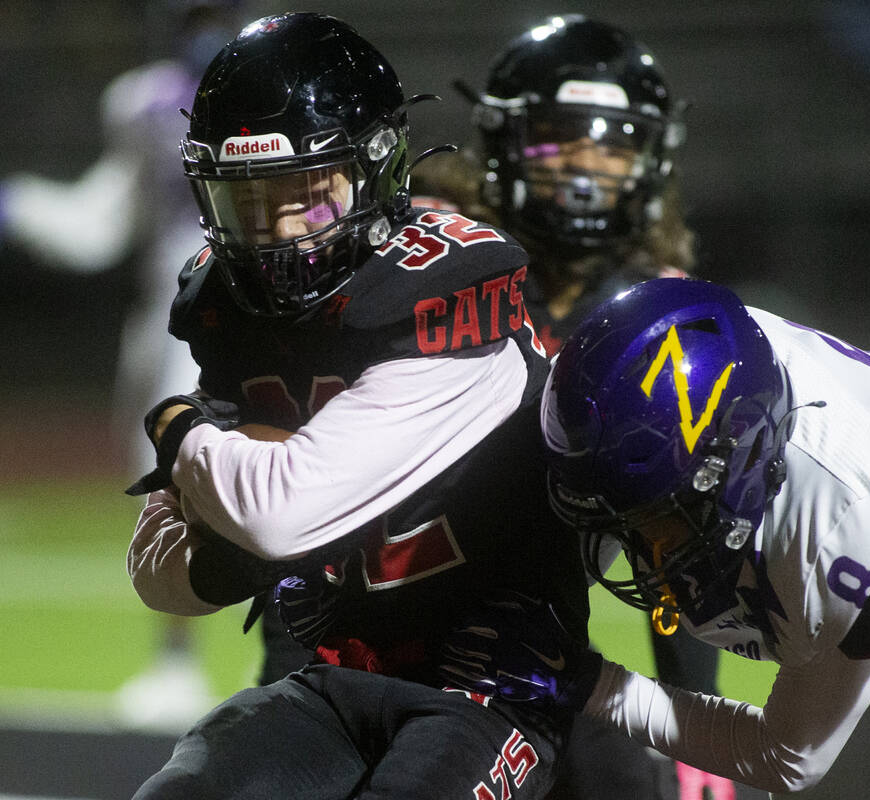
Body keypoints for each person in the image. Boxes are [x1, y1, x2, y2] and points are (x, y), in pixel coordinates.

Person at [439, 277, 870, 799]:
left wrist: (592, 684)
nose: (635, 546)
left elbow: (786, 759)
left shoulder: (844, 523)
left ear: (736, 465)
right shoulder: (714, 396)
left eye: (651, 517)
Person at [125, 13, 588, 798]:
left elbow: (279, 510)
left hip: (490, 683)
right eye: (249, 202)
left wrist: (180, 431)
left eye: (304, 196)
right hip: (337, 666)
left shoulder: (442, 295)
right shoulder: (230, 312)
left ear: (376, 170)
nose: (277, 236)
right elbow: (154, 573)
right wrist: (222, 556)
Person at [425, 16, 752, 800]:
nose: (584, 163)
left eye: (612, 144)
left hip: (535, 657)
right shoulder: (437, 260)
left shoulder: (662, 311)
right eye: (556, 136)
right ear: (502, 140)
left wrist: (696, 732)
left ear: (651, 158)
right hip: (388, 624)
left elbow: (675, 548)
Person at [0, 0, 245, 731]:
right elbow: (110, 220)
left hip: (256, 306)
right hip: (168, 316)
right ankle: (177, 658)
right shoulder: (143, 102)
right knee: (161, 477)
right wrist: (21, 206)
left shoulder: (278, 92)